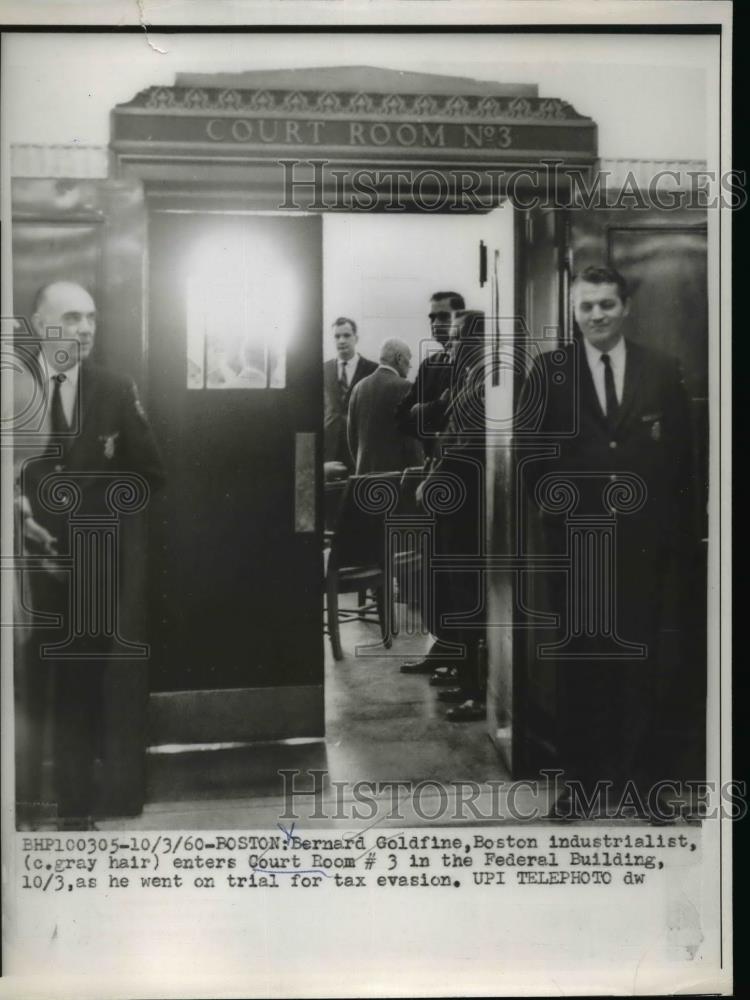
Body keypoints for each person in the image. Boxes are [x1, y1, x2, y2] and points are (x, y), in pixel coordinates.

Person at [521, 265, 693, 813]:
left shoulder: (661, 371)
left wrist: (675, 541)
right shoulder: (548, 373)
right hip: (579, 550)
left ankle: (643, 784)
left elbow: (682, 464)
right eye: (586, 307)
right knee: (580, 664)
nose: (596, 315)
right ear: (574, 313)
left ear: (626, 308)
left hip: (646, 549)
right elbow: (532, 459)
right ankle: (583, 783)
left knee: (641, 665)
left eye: (606, 305)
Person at [14, 280, 165, 830]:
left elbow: (151, 474)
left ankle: (74, 813)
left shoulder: (113, 389)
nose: (84, 329)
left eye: (91, 318)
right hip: (19, 577)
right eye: (71, 317)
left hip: (90, 575)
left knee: (78, 691)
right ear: (38, 325)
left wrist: (95, 512)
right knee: (20, 693)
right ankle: (18, 814)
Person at [418, 310, 489, 721]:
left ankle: (477, 691)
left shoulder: (484, 380)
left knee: (468, 596)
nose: (454, 341)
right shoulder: (468, 378)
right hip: (455, 500)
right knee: (458, 593)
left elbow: (469, 445)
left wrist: (436, 478)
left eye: (462, 335)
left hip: (467, 502)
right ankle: (466, 682)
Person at [397, 291, 467, 677]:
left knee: (461, 569)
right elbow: (403, 417)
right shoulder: (432, 366)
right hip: (435, 474)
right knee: (437, 568)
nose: (437, 324)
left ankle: (462, 652)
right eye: (432, 318)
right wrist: (435, 409)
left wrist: (431, 412)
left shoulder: (473, 365)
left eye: (443, 317)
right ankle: (444, 645)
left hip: (465, 478)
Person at [347, 338, 423, 475]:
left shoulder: (358, 388)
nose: (410, 365)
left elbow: (352, 438)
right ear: (399, 358)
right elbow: (412, 442)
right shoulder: (406, 388)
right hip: (396, 480)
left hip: (363, 478)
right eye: (409, 359)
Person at [323, 318, 377, 469]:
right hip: (329, 448)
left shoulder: (372, 370)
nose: (341, 341)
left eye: (346, 335)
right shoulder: (322, 370)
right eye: (337, 336)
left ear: (356, 338)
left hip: (359, 447)